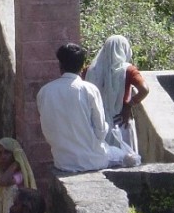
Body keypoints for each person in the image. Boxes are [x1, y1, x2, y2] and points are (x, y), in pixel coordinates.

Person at [36, 43, 136, 172]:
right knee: (131, 158)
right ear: (82, 66)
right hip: (93, 159)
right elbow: (101, 131)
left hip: (62, 161)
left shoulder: (45, 91)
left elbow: (47, 129)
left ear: (60, 65)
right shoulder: (89, 89)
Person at [84, 34, 150, 155]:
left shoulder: (90, 70)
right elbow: (144, 90)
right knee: (124, 158)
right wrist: (128, 105)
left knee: (101, 158)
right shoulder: (128, 70)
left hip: (96, 123)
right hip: (120, 121)